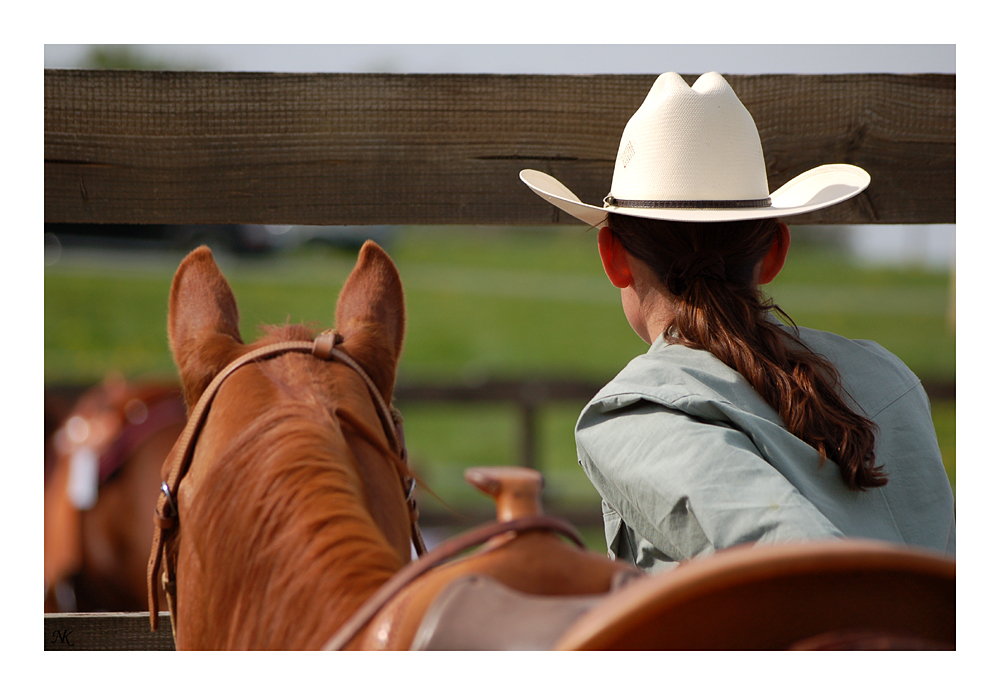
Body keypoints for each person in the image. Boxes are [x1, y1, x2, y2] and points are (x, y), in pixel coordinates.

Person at [519, 72, 955, 573]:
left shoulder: (634, 415)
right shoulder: (888, 377)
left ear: (613, 256)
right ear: (774, 253)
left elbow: (801, 571)